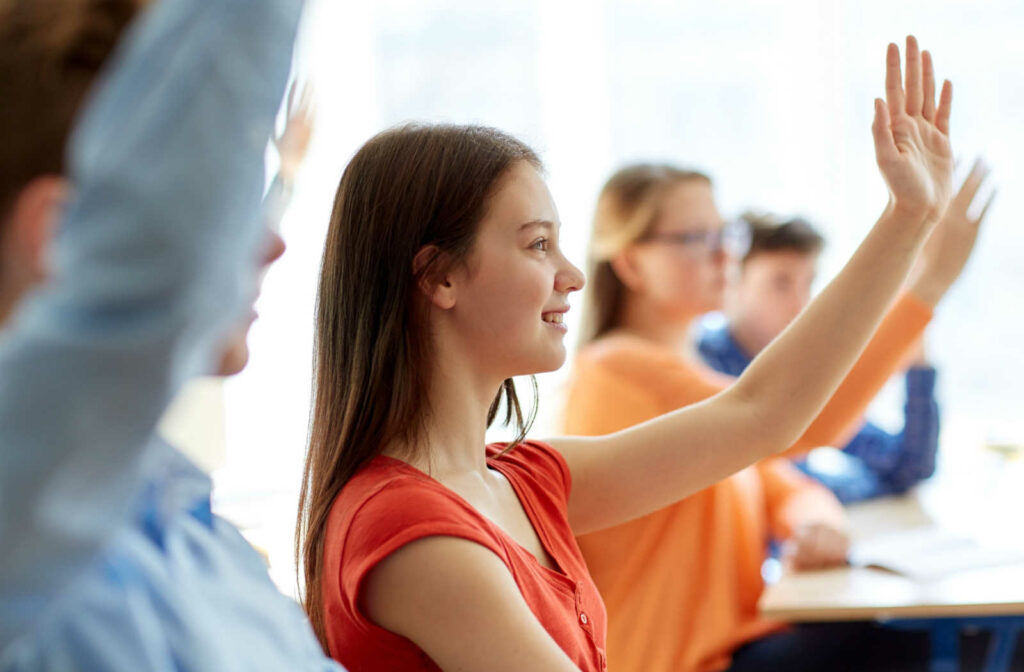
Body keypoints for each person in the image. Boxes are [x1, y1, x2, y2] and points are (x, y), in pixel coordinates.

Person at [300, 37, 957, 671]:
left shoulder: (519, 481)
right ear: (439, 276)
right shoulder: (410, 529)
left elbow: (762, 415)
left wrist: (907, 216)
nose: (573, 275)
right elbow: (768, 416)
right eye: (535, 245)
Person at [560, 56, 984, 672]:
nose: (722, 255)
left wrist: (812, 521)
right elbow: (793, 425)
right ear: (629, 264)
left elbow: (785, 480)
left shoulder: (693, 377)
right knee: (950, 640)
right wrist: (926, 283)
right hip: (682, 661)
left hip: (736, 643)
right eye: (694, 239)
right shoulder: (620, 369)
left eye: (722, 233)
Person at [0, 0, 343, 669]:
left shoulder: (197, 533)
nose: (273, 243)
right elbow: (156, 273)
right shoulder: (20, 539)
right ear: (64, 241)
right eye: (234, 204)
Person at [700, 188, 986, 503]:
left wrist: (914, 332)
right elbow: (775, 484)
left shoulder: (799, 370)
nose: (802, 303)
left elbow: (909, 466)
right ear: (732, 283)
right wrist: (923, 291)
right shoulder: (702, 366)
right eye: (780, 283)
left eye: (809, 282)